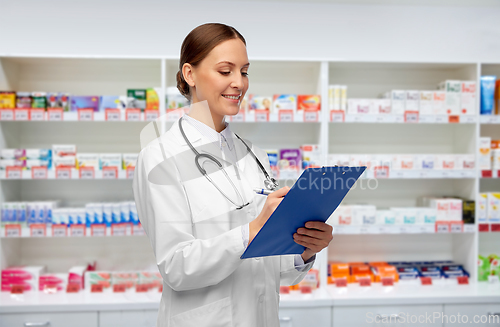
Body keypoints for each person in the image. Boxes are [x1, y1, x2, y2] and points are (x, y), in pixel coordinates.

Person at [133, 23, 333, 327]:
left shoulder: (254, 155)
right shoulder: (160, 157)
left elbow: (272, 266)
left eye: (244, 71)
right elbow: (176, 267)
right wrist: (250, 231)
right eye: (225, 71)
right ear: (190, 74)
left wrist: (303, 249)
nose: (238, 83)